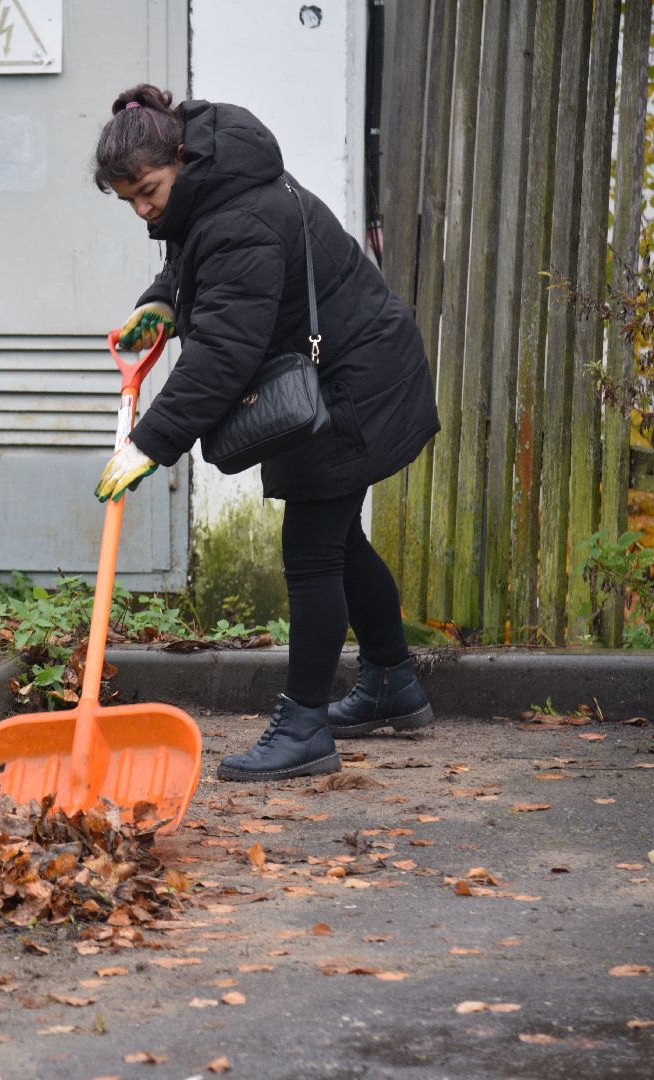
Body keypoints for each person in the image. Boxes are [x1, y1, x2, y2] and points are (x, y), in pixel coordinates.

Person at [92, 85, 441, 782]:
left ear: (180, 155)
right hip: (338, 369)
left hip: (354, 381)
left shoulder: (240, 216)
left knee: (313, 551)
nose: (144, 210)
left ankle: (305, 726)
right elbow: (191, 262)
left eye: (149, 192)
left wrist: (150, 443)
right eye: (129, 200)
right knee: (338, 541)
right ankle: (391, 683)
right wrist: (161, 303)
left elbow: (224, 353)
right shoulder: (213, 180)